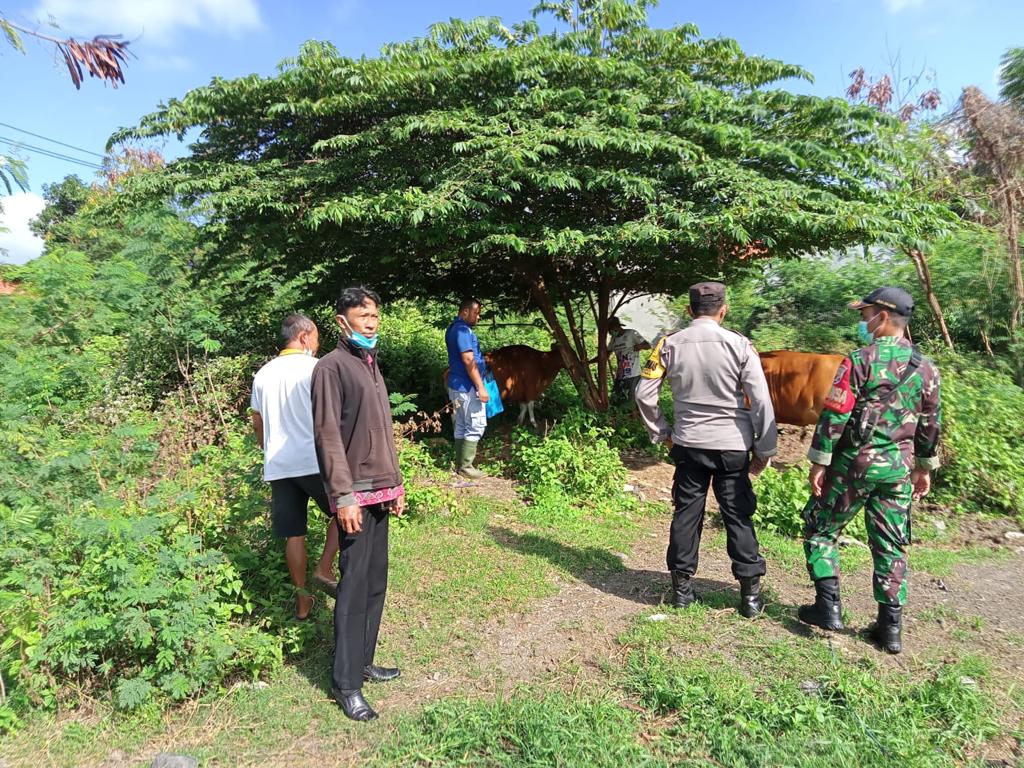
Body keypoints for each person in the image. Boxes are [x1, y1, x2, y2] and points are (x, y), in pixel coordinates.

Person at [798, 287, 941, 655]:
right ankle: (889, 628)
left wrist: (820, 460)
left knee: (821, 526)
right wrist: (924, 467)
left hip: (853, 466)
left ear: (882, 315)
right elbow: (930, 423)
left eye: (866, 314)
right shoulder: (925, 367)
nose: (862, 320)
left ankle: (827, 608)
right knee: (891, 543)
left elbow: (835, 412)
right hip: (898, 471)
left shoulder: (859, 360)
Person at [636, 282, 777, 618]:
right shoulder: (740, 346)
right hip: (732, 448)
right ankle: (751, 597)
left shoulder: (668, 345)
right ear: (723, 310)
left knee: (686, 514)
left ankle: (682, 592)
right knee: (738, 516)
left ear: (689, 311)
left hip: (689, 446)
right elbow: (761, 402)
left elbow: (643, 395)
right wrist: (765, 450)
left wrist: (664, 434)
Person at [311, 286, 405, 722]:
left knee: (374, 581)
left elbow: (382, 431)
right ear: (341, 320)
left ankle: (364, 661)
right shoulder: (331, 367)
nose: (372, 320)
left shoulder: (370, 363)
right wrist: (343, 496)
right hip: (354, 495)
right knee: (351, 587)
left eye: (375, 313)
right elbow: (328, 436)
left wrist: (396, 483)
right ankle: (347, 684)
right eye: (362, 314)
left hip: (381, 490)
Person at [250, 313, 339, 622]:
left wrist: (268, 448)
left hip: (279, 464)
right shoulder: (316, 368)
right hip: (314, 460)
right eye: (315, 339)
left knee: (294, 535)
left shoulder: (262, 374)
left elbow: (257, 421)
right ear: (304, 337)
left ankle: (303, 602)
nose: (316, 346)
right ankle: (325, 567)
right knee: (346, 512)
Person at [445, 298, 489, 479]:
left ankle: (460, 465)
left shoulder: (453, 328)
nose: (478, 317)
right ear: (465, 312)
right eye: (476, 313)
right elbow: (468, 360)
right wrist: (481, 387)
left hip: (456, 385)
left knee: (462, 424)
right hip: (467, 386)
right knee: (475, 424)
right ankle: (466, 467)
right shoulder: (462, 330)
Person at [607, 317, 651, 406]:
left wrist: (640, 347)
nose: (611, 332)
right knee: (617, 400)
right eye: (609, 330)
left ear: (618, 327)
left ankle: (633, 417)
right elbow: (606, 354)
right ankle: (621, 417)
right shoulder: (613, 339)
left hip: (633, 375)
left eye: (612, 329)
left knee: (630, 401)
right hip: (620, 375)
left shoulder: (631, 333)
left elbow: (648, 345)